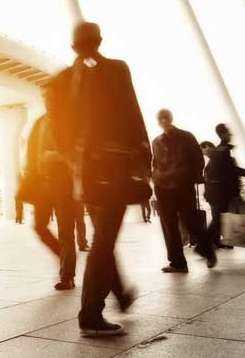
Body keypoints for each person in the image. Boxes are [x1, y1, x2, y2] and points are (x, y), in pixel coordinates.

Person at [48, 22, 148, 337]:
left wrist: (76, 161)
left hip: (86, 174)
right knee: (104, 240)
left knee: (104, 236)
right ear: (100, 40)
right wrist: (144, 159)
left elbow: (58, 130)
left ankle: (117, 296)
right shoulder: (116, 70)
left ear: (73, 46)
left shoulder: (61, 81)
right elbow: (133, 114)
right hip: (115, 168)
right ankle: (90, 315)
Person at [22, 86, 77, 291]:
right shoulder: (39, 122)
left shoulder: (69, 122)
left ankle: (67, 275)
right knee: (39, 227)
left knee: (65, 232)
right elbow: (31, 152)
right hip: (42, 185)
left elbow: (78, 151)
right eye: (45, 98)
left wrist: (57, 156)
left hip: (64, 184)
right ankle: (65, 259)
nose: (47, 101)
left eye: (51, 97)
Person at [152, 109, 216, 273]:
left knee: (190, 222)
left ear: (171, 119)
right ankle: (178, 262)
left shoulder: (186, 136)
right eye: (161, 119)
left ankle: (207, 251)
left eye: (166, 118)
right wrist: (156, 178)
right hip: (163, 188)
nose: (164, 121)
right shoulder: (157, 141)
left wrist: (190, 179)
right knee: (170, 225)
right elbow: (156, 163)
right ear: (158, 121)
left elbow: (197, 160)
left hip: (182, 186)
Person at [203, 125, 241, 249]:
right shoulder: (222, 151)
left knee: (218, 220)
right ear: (222, 134)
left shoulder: (221, 151)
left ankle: (207, 244)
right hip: (221, 194)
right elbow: (231, 171)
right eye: (228, 132)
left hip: (220, 194)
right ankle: (204, 244)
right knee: (217, 220)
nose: (231, 134)